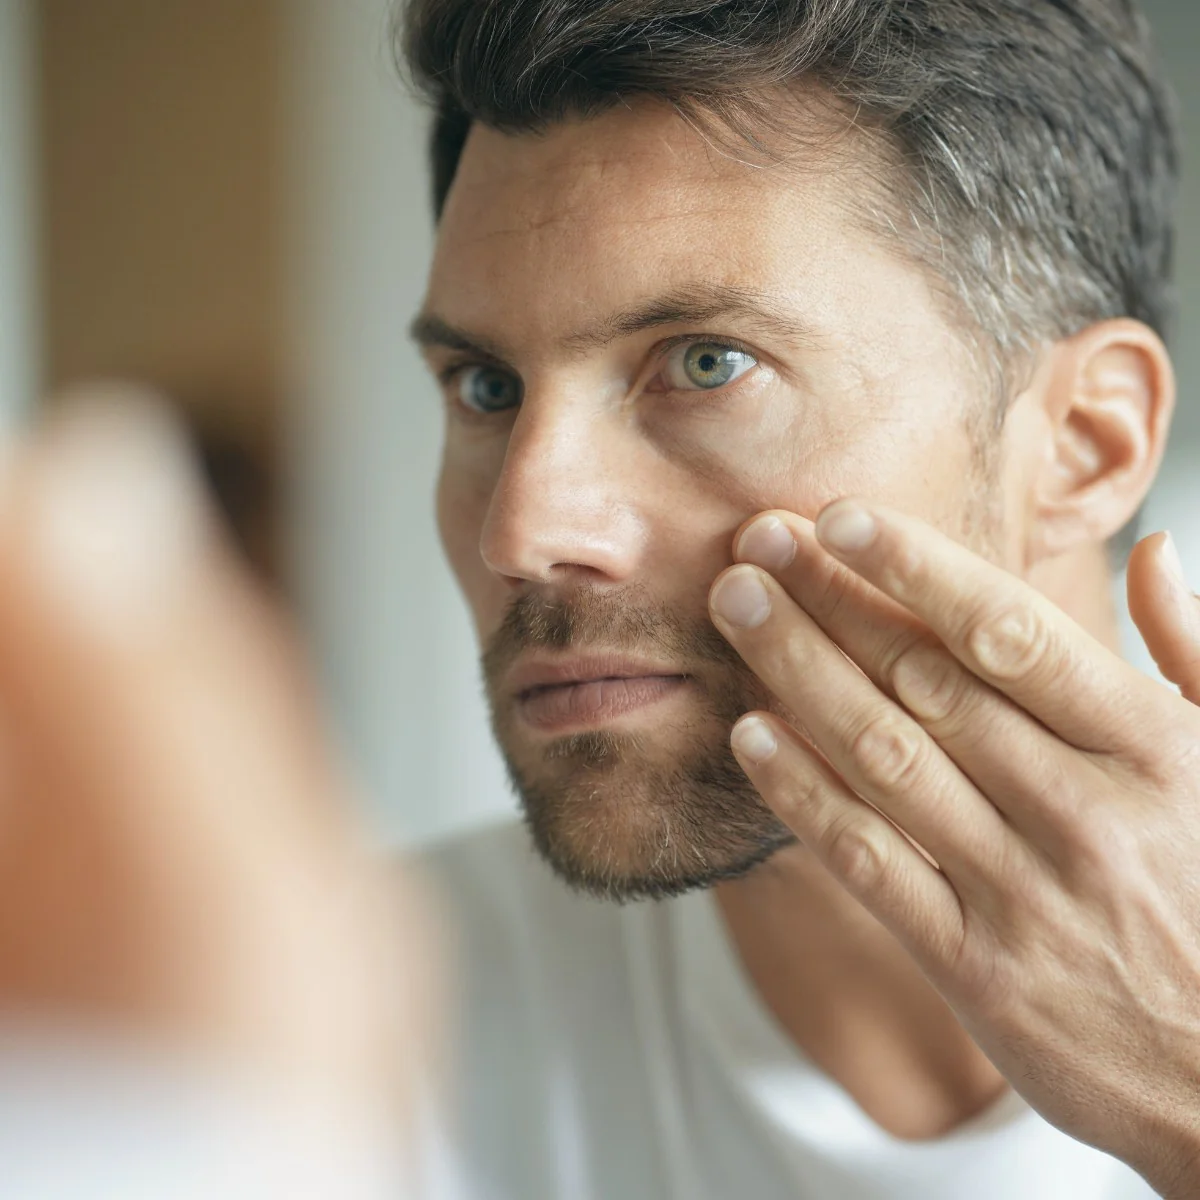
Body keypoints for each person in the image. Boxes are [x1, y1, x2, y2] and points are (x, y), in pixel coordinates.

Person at [2, 0, 1200, 1197]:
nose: (521, 529)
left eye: (705, 363)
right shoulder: (345, 1044)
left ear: (1084, 444)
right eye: (484, 385)